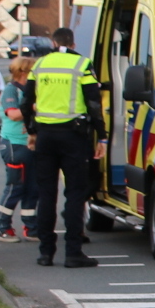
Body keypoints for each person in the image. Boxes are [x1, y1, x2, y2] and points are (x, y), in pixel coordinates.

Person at [21, 26, 104, 269]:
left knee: (47, 194)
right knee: (75, 195)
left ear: (53, 43)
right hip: (74, 137)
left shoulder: (40, 65)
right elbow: (93, 103)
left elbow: (26, 101)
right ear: (73, 43)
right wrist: (102, 136)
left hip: (45, 136)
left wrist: (32, 131)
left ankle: (46, 253)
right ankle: (73, 253)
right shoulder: (82, 64)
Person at [0, 56, 38, 240]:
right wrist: (34, 108)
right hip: (14, 143)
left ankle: (30, 227)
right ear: (23, 72)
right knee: (15, 185)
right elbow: (13, 114)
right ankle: (3, 226)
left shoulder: (33, 90)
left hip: (31, 143)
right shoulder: (11, 90)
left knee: (32, 187)